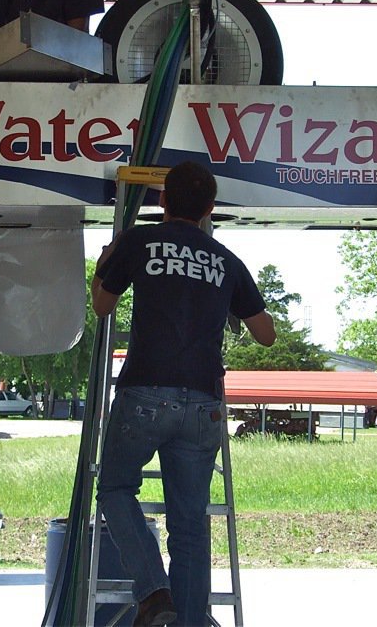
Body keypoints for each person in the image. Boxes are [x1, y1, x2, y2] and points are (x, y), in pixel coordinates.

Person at [91, 161, 276, 627]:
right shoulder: (227, 260)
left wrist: (105, 262)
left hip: (144, 394)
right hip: (204, 405)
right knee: (190, 524)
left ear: (162, 201)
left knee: (114, 488)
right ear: (210, 208)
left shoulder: (139, 242)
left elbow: (102, 304)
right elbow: (267, 334)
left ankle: (154, 593)